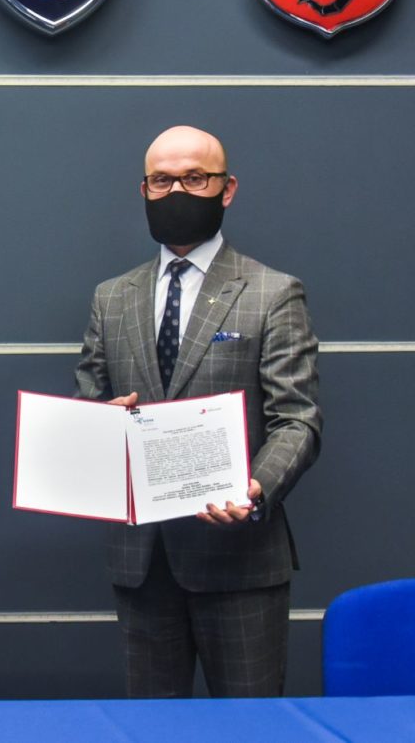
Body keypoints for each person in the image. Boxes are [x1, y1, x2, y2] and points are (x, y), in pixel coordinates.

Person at [74, 124, 322, 698]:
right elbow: (89, 400)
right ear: (143, 190)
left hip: (238, 558)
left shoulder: (272, 292)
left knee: (250, 728)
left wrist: (256, 488)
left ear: (226, 189)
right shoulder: (111, 298)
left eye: (194, 178)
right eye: (162, 181)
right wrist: (103, 422)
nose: (177, 192)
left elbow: (298, 419)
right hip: (143, 561)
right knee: (151, 729)